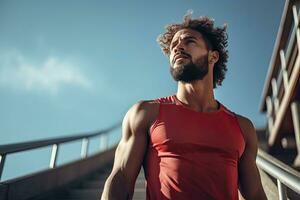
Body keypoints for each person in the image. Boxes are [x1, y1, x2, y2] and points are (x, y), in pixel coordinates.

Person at [101, 12, 267, 200]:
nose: (178, 47)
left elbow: (255, 194)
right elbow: (120, 178)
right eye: (173, 45)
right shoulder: (145, 113)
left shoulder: (243, 128)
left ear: (213, 56)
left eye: (189, 41)